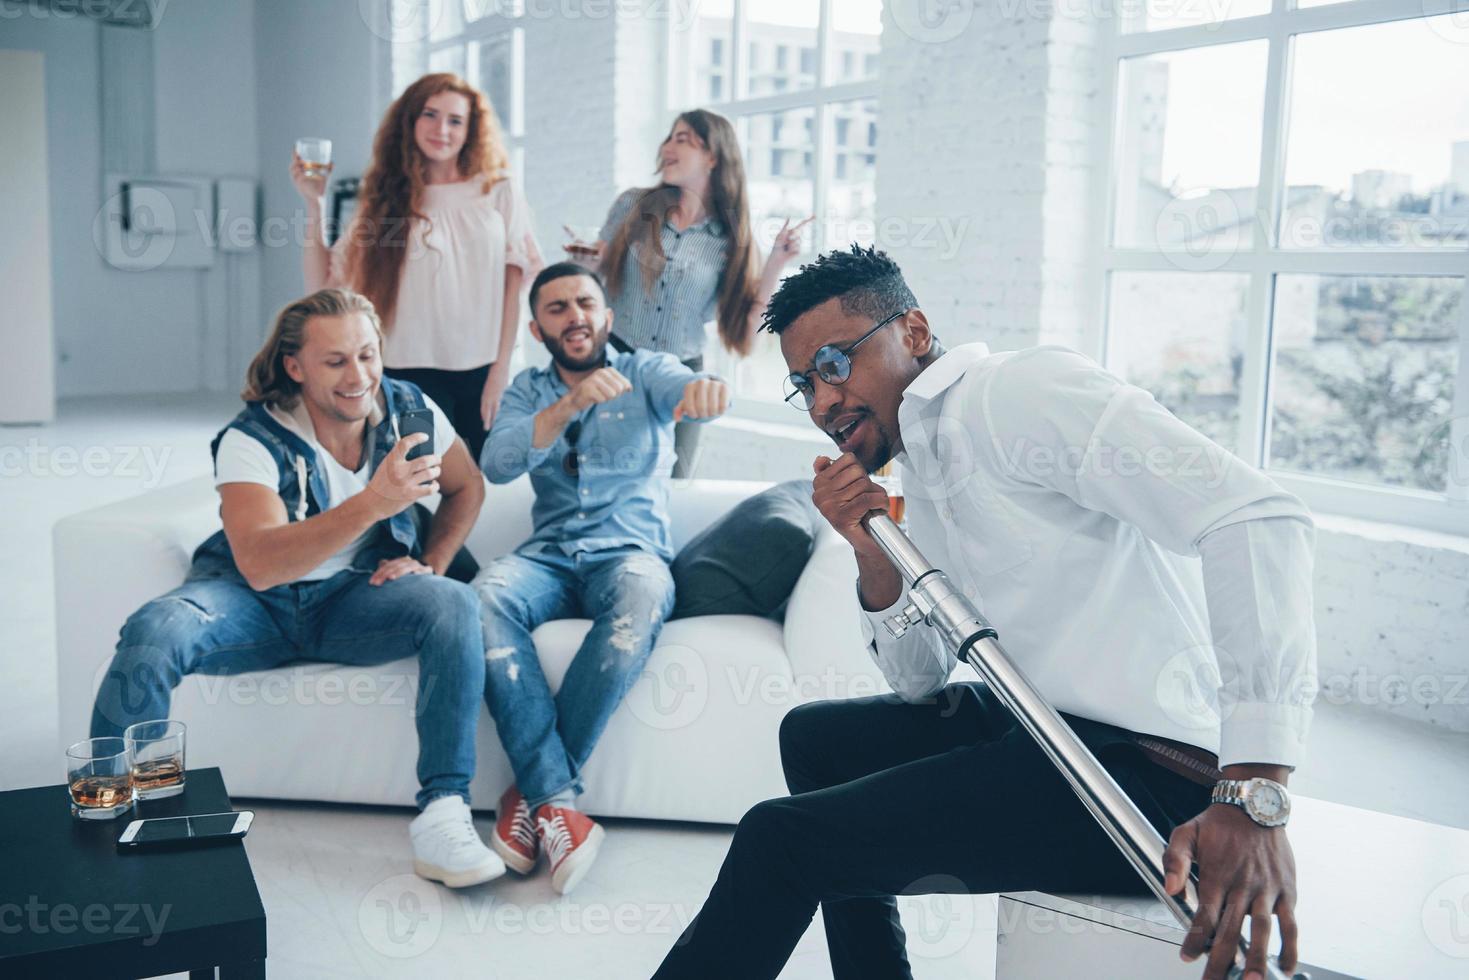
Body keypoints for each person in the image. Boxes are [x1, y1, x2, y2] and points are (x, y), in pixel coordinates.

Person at [654, 246, 1317, 980]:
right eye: (803, 385)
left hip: (1144, 770)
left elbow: (1255, 516)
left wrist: (1254, 793)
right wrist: (871, 551)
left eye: (835, 365)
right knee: (814, 739)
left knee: (778, 840)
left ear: (911, 330)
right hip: (1038, 728)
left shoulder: (1018, 393)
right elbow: (917, 686)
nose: (820, 404)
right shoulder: (923, 464)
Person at [90, 289, 506, 889]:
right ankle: (111, 820)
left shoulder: (409, 410)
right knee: (157, 628)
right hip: (251, 605)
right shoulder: (252, 439)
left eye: (367, 355)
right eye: (335, 361)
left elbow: (467, 486)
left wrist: (433, 561)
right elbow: (260, 564)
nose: (358, 376)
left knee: (452, 603)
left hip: (353, 601)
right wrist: (374, 502)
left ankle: (443, 817)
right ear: (295, 366)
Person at [472, 262, 731, 895]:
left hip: (629, 555)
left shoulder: (645, 370)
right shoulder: (529, 391)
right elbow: (497, 462)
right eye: (557, 308)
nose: (575, 316)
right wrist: (568, 405)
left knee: (642, 596)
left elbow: (689, 386)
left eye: (585, 303)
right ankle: (558, 806)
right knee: (478, 600)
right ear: (538, 328)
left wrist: (706, 391)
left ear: (607, 318)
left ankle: (532, 798)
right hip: (549, 557)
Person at [294, 71, 543, 462]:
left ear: (470, 130)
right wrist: (315, 203)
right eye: (429, 114)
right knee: (417, 486)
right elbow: (323, 285)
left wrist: (500, 371)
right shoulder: (385, 199)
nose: (441, 129)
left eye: (455, 120)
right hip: (403, 373)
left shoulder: (498, 189)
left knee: (471, 488)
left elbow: (515, 284)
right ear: (409, 122)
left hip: (480, 371)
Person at [566, 108, 809, 477]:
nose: (668, 146)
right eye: (669, 137)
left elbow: (745, 334)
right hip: (616, 364)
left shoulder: (732, 240)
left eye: (683, 139)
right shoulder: (632, 205)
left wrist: (776, 263)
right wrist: (586, 264)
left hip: (684, 378)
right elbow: (596, 276)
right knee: (596, 478)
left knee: (673, 487)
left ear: (713, 156)